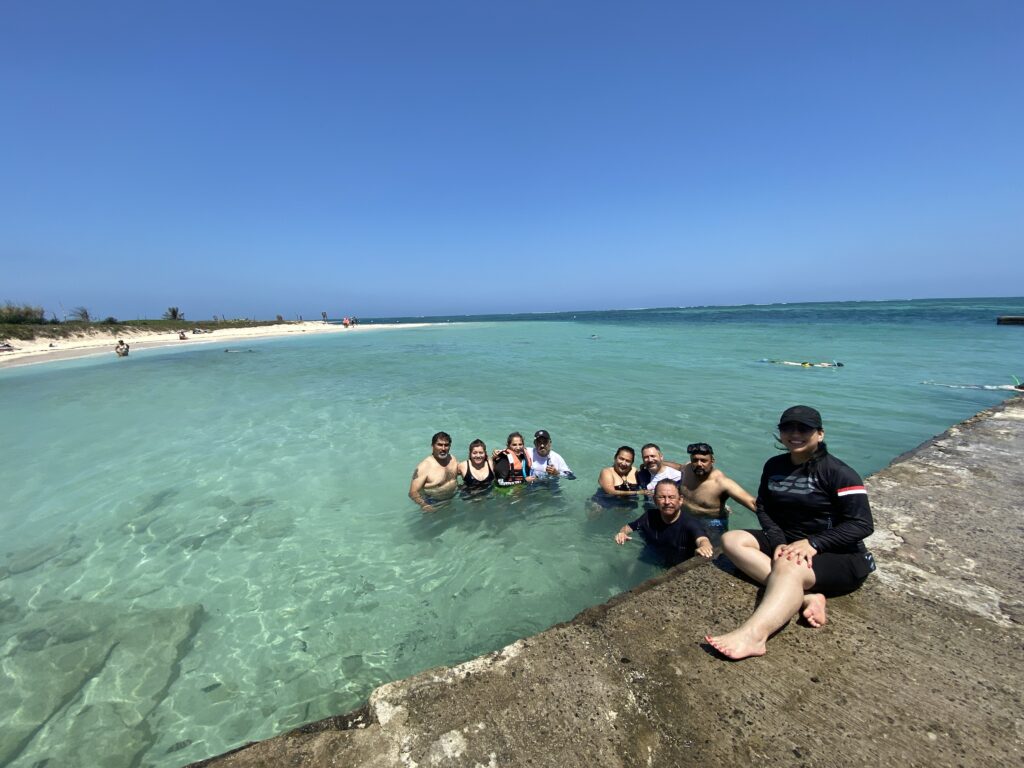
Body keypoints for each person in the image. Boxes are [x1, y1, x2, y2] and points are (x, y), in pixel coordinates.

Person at [706, 405, 876, 660]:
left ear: (819, 434)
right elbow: (763, 508)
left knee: (788, 564)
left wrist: (814, 543)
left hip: (840, 555)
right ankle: (806, 597)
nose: (794, 434)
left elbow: (862, 525)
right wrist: (777, 543)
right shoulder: (775, 466)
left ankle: (755, 636)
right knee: (731, 540)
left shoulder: (838, 473)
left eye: (803, 428)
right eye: (788, 428)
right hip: (790, 542)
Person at [614, 479, 713, 566]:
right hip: (654, 558)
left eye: (671, 497)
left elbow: (702, 539)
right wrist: (622, 533)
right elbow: (628, 527)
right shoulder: (649, 516)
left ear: (680, 500)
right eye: (661, 497)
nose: (666, 502)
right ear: (655, 500)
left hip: (679, 566)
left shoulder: (689, 523)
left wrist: (704, 547)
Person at [679, 442, 756, 544]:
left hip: (712, 523)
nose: (699, 464)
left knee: (714, 554)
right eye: (695, 460)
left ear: (712, 461)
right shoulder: (688, 468)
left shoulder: (722, 483)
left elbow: (753, 504)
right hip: (686, 517)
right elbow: (677, 467)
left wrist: (778, 526)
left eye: (703, 460)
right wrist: (658, 463)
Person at [409, 432, 459, 512]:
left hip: (452, 499)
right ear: (432, 446)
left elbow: (463, 471)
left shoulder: (452, 459)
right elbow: (413, 492)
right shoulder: (424, 467)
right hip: (433, 503)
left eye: (446, 445)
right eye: (439, 444)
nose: (443, 448)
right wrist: (425, 505)